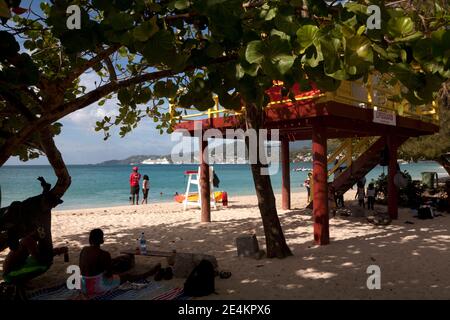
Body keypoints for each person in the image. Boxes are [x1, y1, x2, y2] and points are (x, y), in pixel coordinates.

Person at [79, 229, 160, 296]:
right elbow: (109, 275)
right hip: (96, 287)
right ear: (101, 240)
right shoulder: (104, 254)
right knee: (127, 276)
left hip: (83, 285)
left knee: (114, 263)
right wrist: (116, 273)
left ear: (90, 239)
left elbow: (83, 268)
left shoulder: (84, 250)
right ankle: (149, 273)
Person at [2, 230, 67, 284]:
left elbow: (39, 254)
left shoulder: (29, 238)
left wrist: (56, 251)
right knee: (44, 264)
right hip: (10, 275)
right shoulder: (29, 240)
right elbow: (39, 258)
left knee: (40, 260)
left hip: (11, 270)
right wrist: (57, 251)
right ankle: (20, 281)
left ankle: (21, 279)